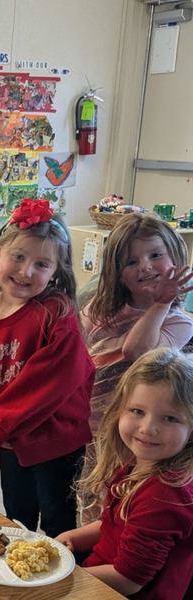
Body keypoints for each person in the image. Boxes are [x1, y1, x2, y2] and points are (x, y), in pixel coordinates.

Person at [0, 198, 94, 538]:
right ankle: (20, 577)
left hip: (55, 442)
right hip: (10, 442)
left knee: (59, 520)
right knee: (16, 516)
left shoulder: (56, 312)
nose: (26, 271)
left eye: (41, 264)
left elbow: (53, 382)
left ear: (56, 271)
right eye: (18, 257)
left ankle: (65, 585)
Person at [79, 213, 193, 521]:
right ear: (117, 274)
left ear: (176, 258)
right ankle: (90, 558)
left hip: (141, 436)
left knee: (128, 504)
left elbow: (137, 351)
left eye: (156, 255)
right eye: (131, 262)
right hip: (94, 430)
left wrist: (160, 304)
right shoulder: (99, 311)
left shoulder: (179, 322)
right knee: (91, 498)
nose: (145, 266)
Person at [56, 348, 193, 599]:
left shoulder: (164, 496)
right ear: (120, 409)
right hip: (101, 575)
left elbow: (128, 580)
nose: (148, 428)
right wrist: (73, 537)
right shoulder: (140, 464)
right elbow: (115, 524)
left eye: (170, 418)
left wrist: (61, 575)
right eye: (137, 411)